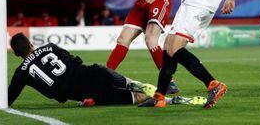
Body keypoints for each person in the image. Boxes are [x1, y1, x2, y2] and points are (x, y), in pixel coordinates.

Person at [8, 33, 156, 107]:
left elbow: (9, 98)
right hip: (94, 72)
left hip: (84, 93)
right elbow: (73, 59)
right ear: (31, 43)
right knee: (129, 83)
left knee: (136, 97)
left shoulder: (21, 73)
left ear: (16, 54)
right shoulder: (51, 47)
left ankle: (161, 98)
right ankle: (161, 91)